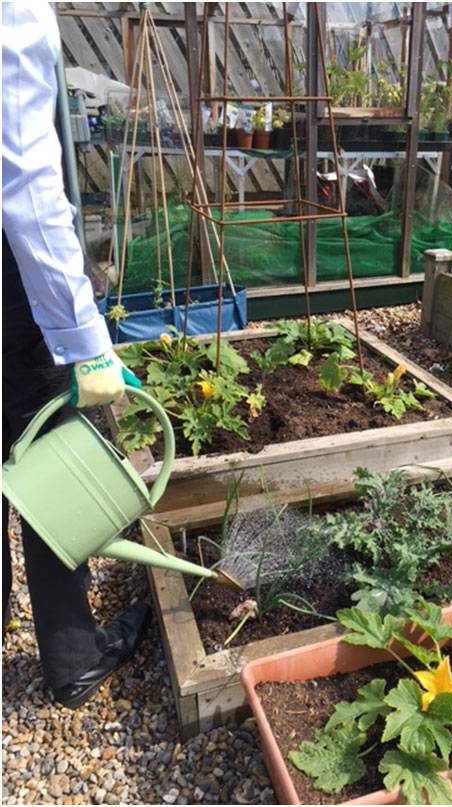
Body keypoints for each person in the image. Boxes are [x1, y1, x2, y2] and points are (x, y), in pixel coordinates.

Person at [2, 2, 150, 709]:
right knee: (50, 441)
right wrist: (85, 340)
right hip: (11, 279)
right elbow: (26, 183)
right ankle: (73, 656)